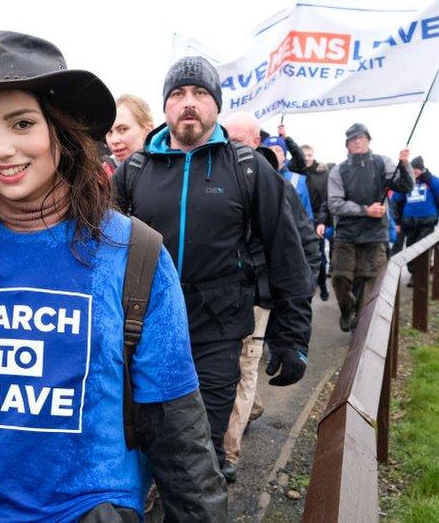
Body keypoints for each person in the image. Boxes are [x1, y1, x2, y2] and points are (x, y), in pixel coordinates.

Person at [0, 30, 225, 521]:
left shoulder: (135, 255)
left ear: (63, 131)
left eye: (22, 123)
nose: (1, 149)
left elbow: (177, 431)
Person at [113, 57, 314, 475]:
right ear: (165, 106)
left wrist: (291, 335)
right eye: (178, 94)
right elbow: (100, 249)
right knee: (143, 442)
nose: (189, 103)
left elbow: (286, 252)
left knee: (202, 453)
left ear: (216, 105)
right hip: (143, 331)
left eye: (200, 93)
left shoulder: (247, 167)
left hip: (218, 330)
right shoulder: (134, 170)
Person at [215, 111, 318, 481]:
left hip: (258, 298)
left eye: (240, 140)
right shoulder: (213, 178)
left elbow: (301, 248)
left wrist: (293, 322)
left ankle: (227, 455)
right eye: (227, 138)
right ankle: (251, 407)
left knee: (243, 367)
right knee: (238, 370)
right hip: (219, 299)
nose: (232, 146)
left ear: (256, 142)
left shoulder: (275, 185)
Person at [328, 123, 413, 332]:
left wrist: (405, 165)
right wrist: (365, 210)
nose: (357, 141)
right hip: (346, 235)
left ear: (368, 140)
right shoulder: (339, 170)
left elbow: (405, 185)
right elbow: (334, 204)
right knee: (340, 278)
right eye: (353, 139)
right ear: (347, 144)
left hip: (375, 235)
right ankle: (347, 310)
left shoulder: (382, 163)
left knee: (368, 282)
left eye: (361, 137)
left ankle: (360, 329)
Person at [391, 156, 439, 281]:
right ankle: (414, 273)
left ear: (422, 169)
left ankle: (421, 276)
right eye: (413, 169)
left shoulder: (433, 181)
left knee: (422, 248)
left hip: (427, 221)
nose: (415, 172)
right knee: (410, 248)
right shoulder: (406, 181)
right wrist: (397, 222)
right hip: (409, 222)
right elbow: (397, 202)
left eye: (417, 169)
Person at [301, 144, 332, 300]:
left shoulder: (322, 174)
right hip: (300, 222)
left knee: (320, 258)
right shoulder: (296, 172)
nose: (307, 158)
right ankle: (309, 290)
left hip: (316, 222)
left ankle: (323, 285)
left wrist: (321, 221)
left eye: (309, 155)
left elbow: (325, 201)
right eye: (304, 155)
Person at [103, 94, 153, 175]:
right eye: (109, 132)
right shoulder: (98, 178)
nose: (114, 140)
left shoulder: (169, 170)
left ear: (147, 131)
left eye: (123, 129)